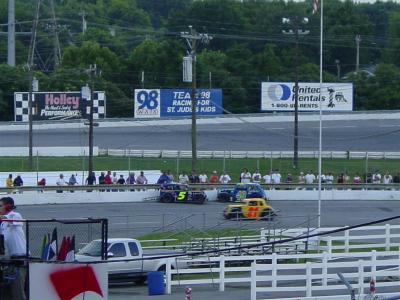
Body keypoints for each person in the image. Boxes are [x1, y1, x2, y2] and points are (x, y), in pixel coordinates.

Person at [0, 197, 27, 299]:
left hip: (21, 257)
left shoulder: (15, 215)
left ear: (8, 206)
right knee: (7, 292)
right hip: (10, 259)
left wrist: (3, 217)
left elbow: (10, 220)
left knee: (18, 291)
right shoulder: (2, 224)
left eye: (0, 206)